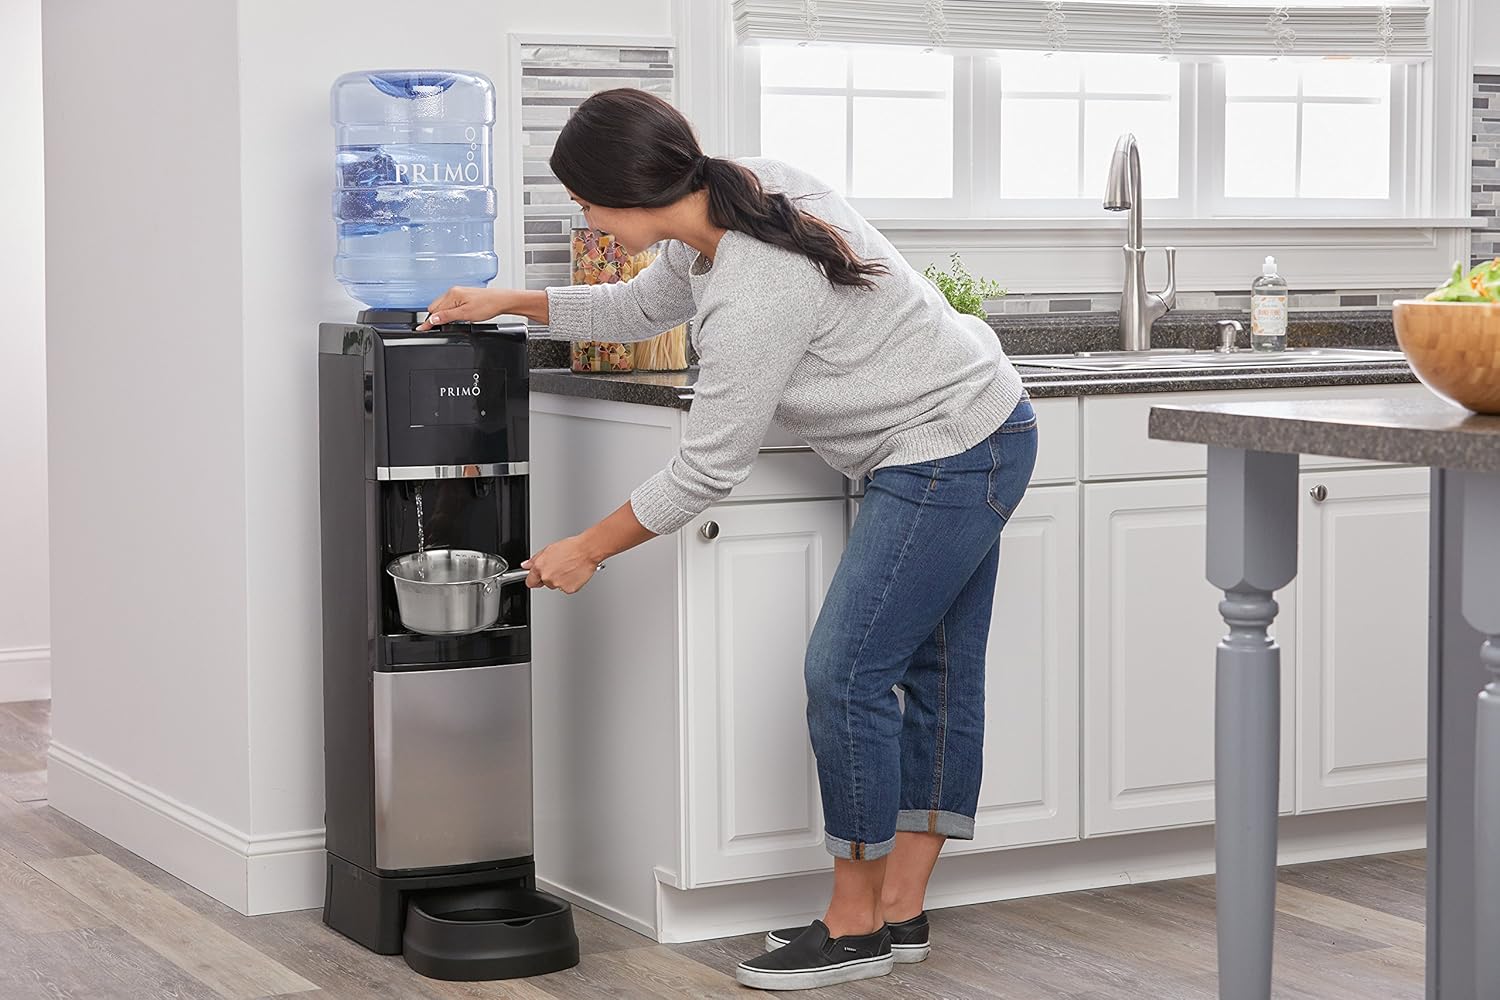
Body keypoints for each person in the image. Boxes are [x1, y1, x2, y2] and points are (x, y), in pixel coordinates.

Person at [418, 87, 1036, 991]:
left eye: (585, 203)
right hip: (954, 431)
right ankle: (896, 911)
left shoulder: (755, 288)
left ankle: (856, 922)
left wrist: (586, 546)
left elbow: (704, 472)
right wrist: (505, 300)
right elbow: (636, 312)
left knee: (849, 672)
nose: (583, 218)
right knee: (929, 673)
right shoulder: (728, 203)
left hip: (956, 445)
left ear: (629, 193)